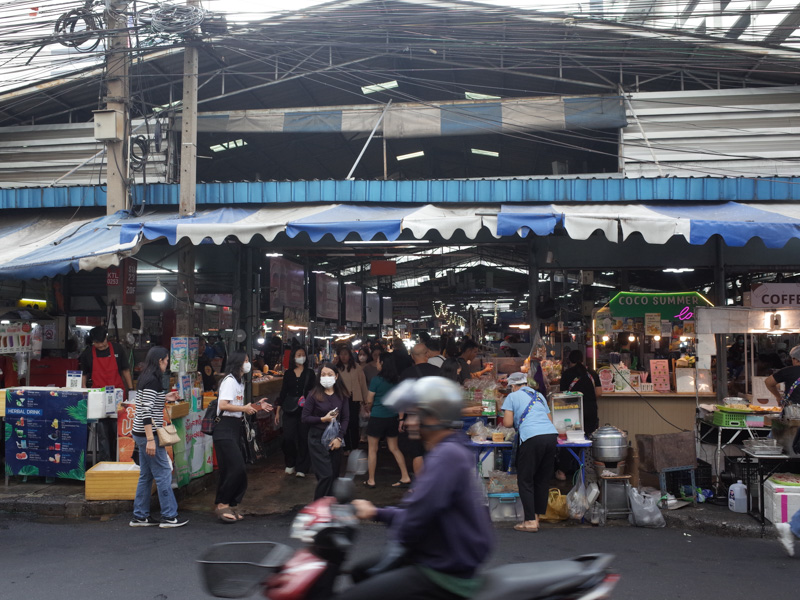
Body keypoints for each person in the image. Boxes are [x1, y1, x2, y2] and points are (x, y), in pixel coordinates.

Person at [339, 377, 495, 600]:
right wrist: (376, 512)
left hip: (444, 570)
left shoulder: (446, 456)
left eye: (415, 415)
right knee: (361, 571)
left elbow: (415, 518)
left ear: (432, 417)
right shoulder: (448, 450)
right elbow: (419, 510)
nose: (410, 422)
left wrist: (390, 527)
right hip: (439, 556)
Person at [129, 346, 188, 528]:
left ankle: (140, 515)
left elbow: (147, 403)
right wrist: (150, 440)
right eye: (166, 360)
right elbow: (146, 411)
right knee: (163, 474)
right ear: (160, 360)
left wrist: (165, 397)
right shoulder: (152, 380)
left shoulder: (146, 377)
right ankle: (169, 516)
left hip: (141, 432)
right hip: (149, 434)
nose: (167, 364)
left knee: (146, 475)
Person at [213, 351, 272, 523]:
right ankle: (222, 504)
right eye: (246, 360)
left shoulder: (240, 382)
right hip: (224, 428)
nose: (248, 363)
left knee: (235, 468)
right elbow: (223, 405)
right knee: (235, 467)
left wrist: (257, 406)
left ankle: (231, 503)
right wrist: (245, 409)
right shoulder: (230, 381)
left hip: (234, 427)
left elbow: (240, 407)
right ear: (238, 363)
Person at [503, 371, 558, 533]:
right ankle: (536, 518)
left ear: (513, 386)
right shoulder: (539, 396)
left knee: (525, 480)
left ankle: (529, 522)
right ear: (525, 383)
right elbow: (549, 420)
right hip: (550, 436)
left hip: (531, 437)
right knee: (541, 479)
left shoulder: (512, 397)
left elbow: (507, 423)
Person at [79, 326, 134, 461]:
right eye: (97, 343)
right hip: (99, 398)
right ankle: (105, 461)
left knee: (118, 430)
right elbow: (84, 374)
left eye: (103, 342)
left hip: (117, 396)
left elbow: (125, 370)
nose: (101, 345)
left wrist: (131, 389)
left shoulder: (118, 349)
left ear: (106, 338)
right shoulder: (88, 353)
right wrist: (83, 389)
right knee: (102, 432)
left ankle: (119, 459)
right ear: (92, 342)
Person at [302, 362, 350, 499]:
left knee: (334, 476)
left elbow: (345, 418)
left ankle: (330, 505)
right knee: (325, 475)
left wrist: (339, 438)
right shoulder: (313, 395)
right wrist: (323, 419)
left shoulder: (342, 395)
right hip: (317, 438)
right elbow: (305, 418)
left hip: (335, 437)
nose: (326, 377)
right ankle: (317, 505)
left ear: (336, 376)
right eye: (323, 375)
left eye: (330, 374)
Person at [364, 353, 412, 488]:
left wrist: (368, 408)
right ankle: (405, 476)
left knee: (372, 449)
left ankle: (371, 480)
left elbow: (369, 400)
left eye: (378, 361)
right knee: (394, 448)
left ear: (382, 364)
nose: (376, 363)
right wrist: (401, 419)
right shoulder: (397, 381)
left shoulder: (376, 380)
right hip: (392, 418)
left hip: (377, 418)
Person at [398, 343, 440, 475]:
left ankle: (420, 483)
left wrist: (401, 419)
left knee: (417, 453)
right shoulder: (438, 372)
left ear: (412, 356)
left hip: (413, 419)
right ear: (427, 354)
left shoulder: (406, 373)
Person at [275, 346, 316, 478]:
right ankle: (290, 463)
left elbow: (314, 392)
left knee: (303, 438)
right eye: (298, 355)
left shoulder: (310, 373)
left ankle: (302, 467)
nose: (301, 357)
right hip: (289, 409)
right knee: (288, 437)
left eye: (303, 354)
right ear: (293, 357)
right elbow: (283, 392)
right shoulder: (288, 373)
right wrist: (278, 411)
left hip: (305, 411)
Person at [334, 345, 369, 452]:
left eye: (345, 354)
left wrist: (366, 401)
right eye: (341, 354)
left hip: (354, 399)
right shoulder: (336, 368)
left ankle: (354, 446)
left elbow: (363, 384)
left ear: (350, 355)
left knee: (354, 423)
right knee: (343, 423)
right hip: (341, 399)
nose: (343, 356)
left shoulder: (357, 368)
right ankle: (346, 447)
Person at [559, 350, 602, 436]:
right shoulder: (592, 373)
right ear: (582, 360)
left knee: (573, 436)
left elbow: (563, 394)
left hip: (573, 410)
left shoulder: (566, 374)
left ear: (570, 361)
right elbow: (598, 392)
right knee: (589, 435)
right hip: (591, 409)